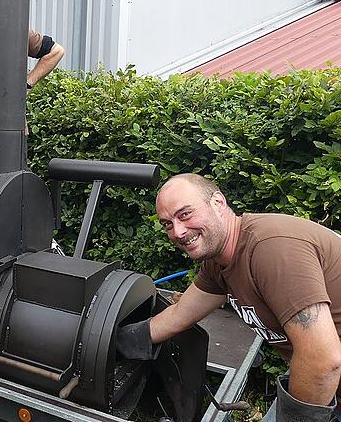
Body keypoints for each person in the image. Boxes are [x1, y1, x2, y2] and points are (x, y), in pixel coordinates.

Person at [116, 173, 341, 421]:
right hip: (323, 386)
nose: (178, 232)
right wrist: (113, 342)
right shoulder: (219, 262)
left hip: (323, 380)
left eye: (185, 214)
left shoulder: (270, 250)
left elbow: (323, 360)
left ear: (218, 202)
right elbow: (179, 315)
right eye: (168, 224)